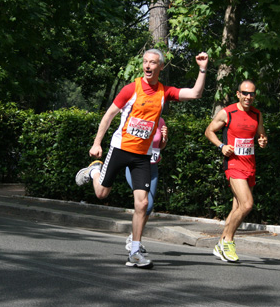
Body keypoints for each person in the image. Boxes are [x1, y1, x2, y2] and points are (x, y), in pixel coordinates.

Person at [75, 49, 209, 269]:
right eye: (145, 62)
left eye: (153, 62)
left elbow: (195, 94)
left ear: (161, 67)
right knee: (101, 193)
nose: (148, 66)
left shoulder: (165, 92)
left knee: (143, 203)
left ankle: (135, 251)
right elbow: (109, 115)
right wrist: (97, 143)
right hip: (120, 149)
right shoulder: (131, 89)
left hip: (143, 156)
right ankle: (94, 171)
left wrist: (202, 69)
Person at [204, 80, 268, 262]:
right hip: (233, 164)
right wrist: (221, 146)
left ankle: (221, 243)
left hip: (250, 165)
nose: (248, 97)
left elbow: (261, 135)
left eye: (252, 94)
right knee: (247, 204)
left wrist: (263, 141)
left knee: (238, 208)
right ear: (238, 94)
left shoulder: (257, 114)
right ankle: (229, 241)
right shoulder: (228, 112)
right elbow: (209, 131)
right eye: (245, 93)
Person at [123, 117, 168, 255]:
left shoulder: (161, 121)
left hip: (152, 168)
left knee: (149, 206)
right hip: (136, 167)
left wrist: (164, 138)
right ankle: (134, 241)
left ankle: (134, 238)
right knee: (144, 203)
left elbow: (160, 146)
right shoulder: (138, 118)